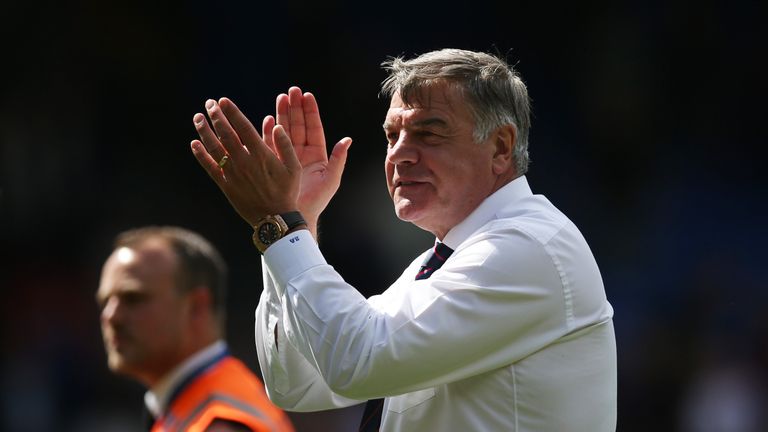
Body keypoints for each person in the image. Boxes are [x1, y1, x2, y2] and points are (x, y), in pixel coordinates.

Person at [189, 48, 617, 431]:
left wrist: (282, 225)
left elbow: (358, 362)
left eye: (429, 133)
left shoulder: (527, 246)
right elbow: (297, 385)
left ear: (501, 147)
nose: (399, 154)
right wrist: (295, 220)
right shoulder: (440, 260)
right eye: (393, 135)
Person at [96, 226, 295, 432]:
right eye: (104, 302)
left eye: (133, 298)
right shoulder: (195, 407)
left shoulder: (218, 422)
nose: (111, 316)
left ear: (197, 307)